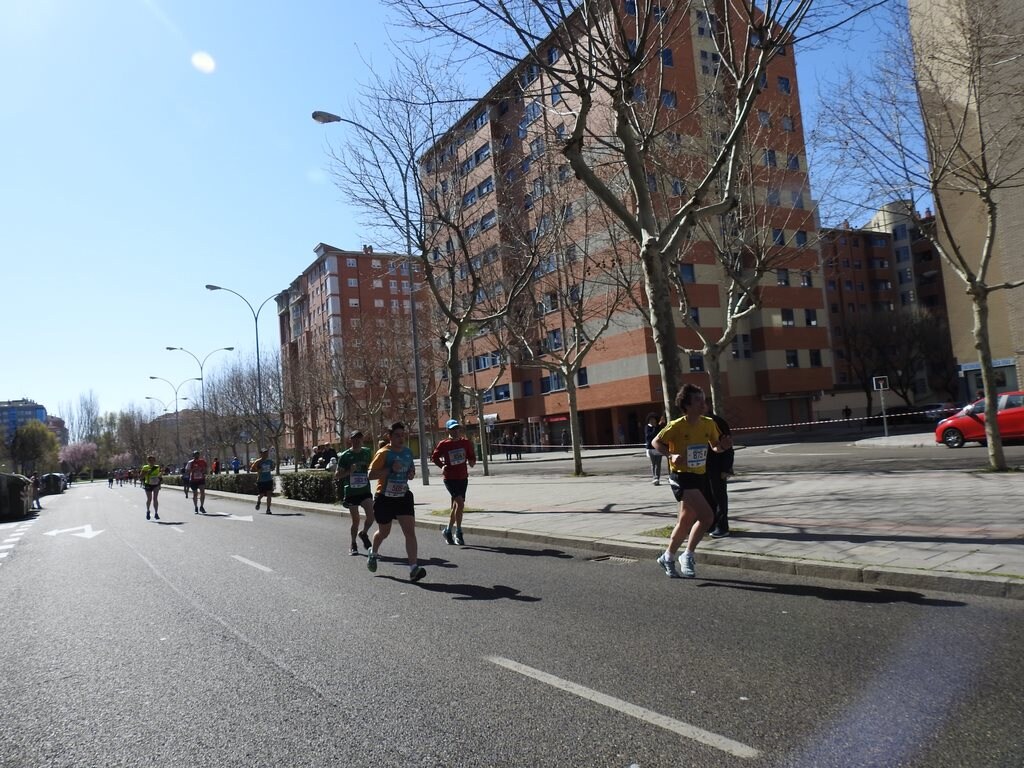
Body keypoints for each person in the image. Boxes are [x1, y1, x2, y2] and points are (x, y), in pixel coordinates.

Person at [651, 384, 732, 579]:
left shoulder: (708, 424)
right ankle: (687, 555)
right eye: (697, 400)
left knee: (686, 521)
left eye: (703, 399)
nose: (702, 403)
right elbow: (655, 442)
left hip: (699, 475)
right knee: (707, 517)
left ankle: (668, 556)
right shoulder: (676, 425)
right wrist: (671, 455)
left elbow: (715, 448)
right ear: (686, 405)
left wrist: (723, 446)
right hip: (681, 477)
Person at [366, 422, 425, 582]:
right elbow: (370, 475)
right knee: (384, 532)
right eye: (397, 435)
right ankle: (373, 551)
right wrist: (390, 469)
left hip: (403, 496)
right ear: (390, 437)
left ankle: (413, 568)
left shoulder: (407, 452)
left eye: (402, 435)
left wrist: (411, 473)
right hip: (384, 498)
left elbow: (410, 470)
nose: (401, 438)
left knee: (410, 532)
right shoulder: (383, 453)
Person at [431, 419, 477, 546]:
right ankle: (459, 532)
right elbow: (434, 457)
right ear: (448, 430)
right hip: (450, 478)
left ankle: (448, 530)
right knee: (460, 504)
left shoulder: (466, 443)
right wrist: (442, 466)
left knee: (456, 506)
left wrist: (472, 461)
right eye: (452, 429)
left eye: (457, 428)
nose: (455, 431)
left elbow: (471, 456)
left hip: (463, 477)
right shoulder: (444, 444)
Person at [335, 430, 375, 555]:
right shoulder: (345, 456)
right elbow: (337, 476)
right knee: (356, 520)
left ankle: (363, 533)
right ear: (350, 440)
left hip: (364, 490)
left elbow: (372, 467)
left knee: (371, 516)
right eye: (354, 439)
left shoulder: (367, 452)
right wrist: (349, 472)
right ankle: (353, 543)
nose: (357, 441)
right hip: (352, 491)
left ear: (362, 440)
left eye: (359, 438)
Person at [706, 413, 735, 539]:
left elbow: (728, 446)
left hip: (716, 467)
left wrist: (726, 468)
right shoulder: (692, 422)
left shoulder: (716, 422)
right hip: (700, 467)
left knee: (718, 497)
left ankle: (722, 527)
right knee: (706, 497)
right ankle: (710, 524)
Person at [251, 448, 275, 513]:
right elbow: (251, 469)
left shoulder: (269, 461)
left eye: (266, 453)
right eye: (264, 453)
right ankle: (259, 500)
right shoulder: (258, 461)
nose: (265, 455)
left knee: (269, 494)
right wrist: (258, 470)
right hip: (261, 480)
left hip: (269, 479)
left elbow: (273, 467)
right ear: (261, 454)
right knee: (261, 494)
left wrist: (272, 468)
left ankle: (268, 509)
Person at [644, 412, 664, 485]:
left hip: (658, 448)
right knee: (653, 463)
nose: (652, 421)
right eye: (651, 420)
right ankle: (654, 477)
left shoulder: (659, 427)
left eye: (654, 420)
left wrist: (659, 425)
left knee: (658, 464)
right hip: (650, 448)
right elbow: (649, 436)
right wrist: (655, 428)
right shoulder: (647, 427)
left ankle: (657, 478)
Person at [140, 455, 162, 521]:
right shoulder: (145, 467)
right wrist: (147, 473)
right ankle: (148, 511)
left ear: (154, 461)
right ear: (148, 461)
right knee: (149, 499)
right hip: (148, 484)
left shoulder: (157, 467)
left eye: (153, 460)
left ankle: (156, 513)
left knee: (155, 498)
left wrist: (160, 476)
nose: (151, 462)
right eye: (150, 460)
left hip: (156, 484)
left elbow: (159, 476)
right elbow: (141, 477)